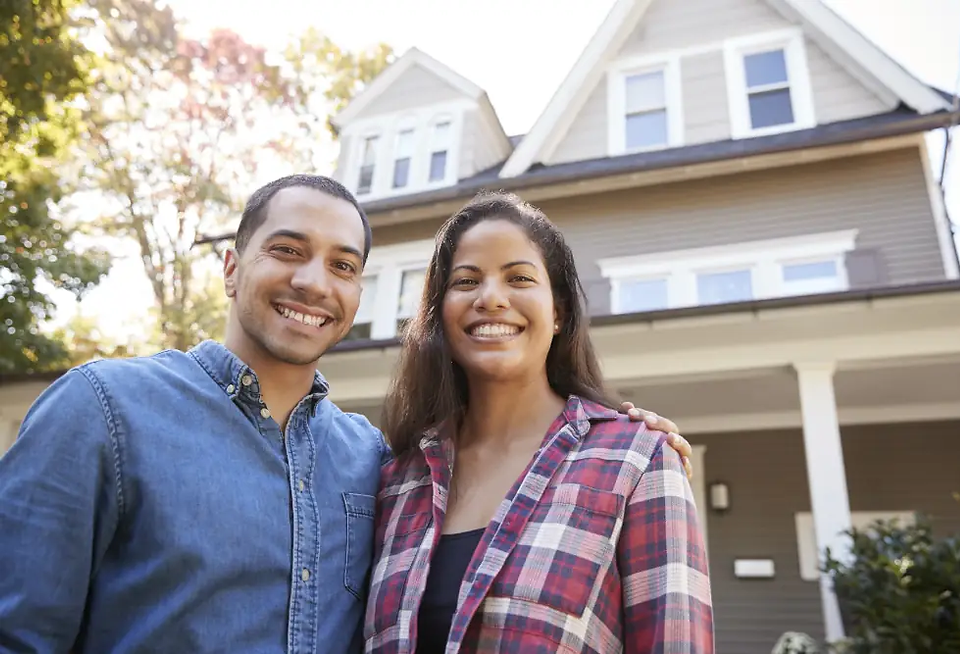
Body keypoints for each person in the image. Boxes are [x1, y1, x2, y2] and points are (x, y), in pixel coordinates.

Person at [0, 174, 691, 653]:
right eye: (288, 251)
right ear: (232, 267)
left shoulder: (372, 463)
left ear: (358, 291)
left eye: (342, 264)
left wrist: (627, 438)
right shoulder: (105, 411)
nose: (312, 282)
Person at [364, 192, 714, 653]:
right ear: (439, 315)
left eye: (519, 278)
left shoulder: (637, 461)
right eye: (466, 281)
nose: (490, 298)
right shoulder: (396, 481)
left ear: (558, 313)